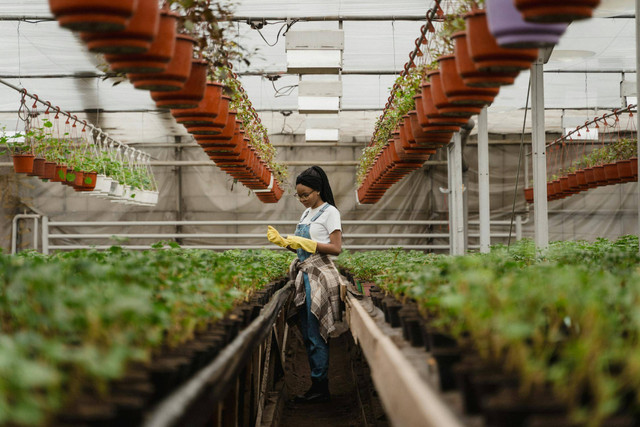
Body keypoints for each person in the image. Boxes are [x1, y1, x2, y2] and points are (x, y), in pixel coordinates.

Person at [267, 166, 343, 403]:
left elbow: (336, 248)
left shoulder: (330, 212)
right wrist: (285, 243)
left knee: (315, 334)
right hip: (305, 275)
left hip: (319, 275)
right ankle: (316, 382)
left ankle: (320, 386)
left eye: (305, 194)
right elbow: (301, 245)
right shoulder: (307, 213)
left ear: (318, 190)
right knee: (308, 331)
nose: (301, 200)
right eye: (298, 195)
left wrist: (307, 244)